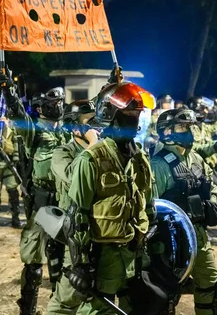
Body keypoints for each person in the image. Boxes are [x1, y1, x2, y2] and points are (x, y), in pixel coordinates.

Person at [64, 81, 156, 314]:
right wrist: (80, 265)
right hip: (104, 255)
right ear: (110, 115)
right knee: (97, 310)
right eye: (128, 114)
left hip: (135, 253)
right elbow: (77, 216)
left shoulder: (139, 157)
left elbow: (148, 202)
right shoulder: (92, 158)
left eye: (137, 114)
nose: (134, 120)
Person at [0, 69, 69, 315]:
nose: (58, 106)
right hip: (42, 200)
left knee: (61, 258)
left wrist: (113, 85)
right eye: (53, 102)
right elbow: (17, 115)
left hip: (65, 200)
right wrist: (8, 90)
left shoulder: (68, 129)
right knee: (35, 260)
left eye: (60, 101)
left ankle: (59, 309)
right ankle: (27, 309)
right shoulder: (34, 129)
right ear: (41, 107)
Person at [151, 108, 217, 315]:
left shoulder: (196, 159)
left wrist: (212, 203)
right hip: (171, 238)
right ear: (167, 132)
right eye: (183, 127)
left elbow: (212, 186)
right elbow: (152, 203)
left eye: (190, 127)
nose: (189, 132)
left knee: (210, 285)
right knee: (168, 290)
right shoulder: (159, 164)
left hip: (198, 235)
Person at [46, 99, 99, 315]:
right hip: (78, 234)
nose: (96, 127)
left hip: (103, 230)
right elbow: (73, 177)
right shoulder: (62, 153)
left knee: (98, 296)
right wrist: (93, 146)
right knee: (69, 296)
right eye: (90, 122)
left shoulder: (105, 151)